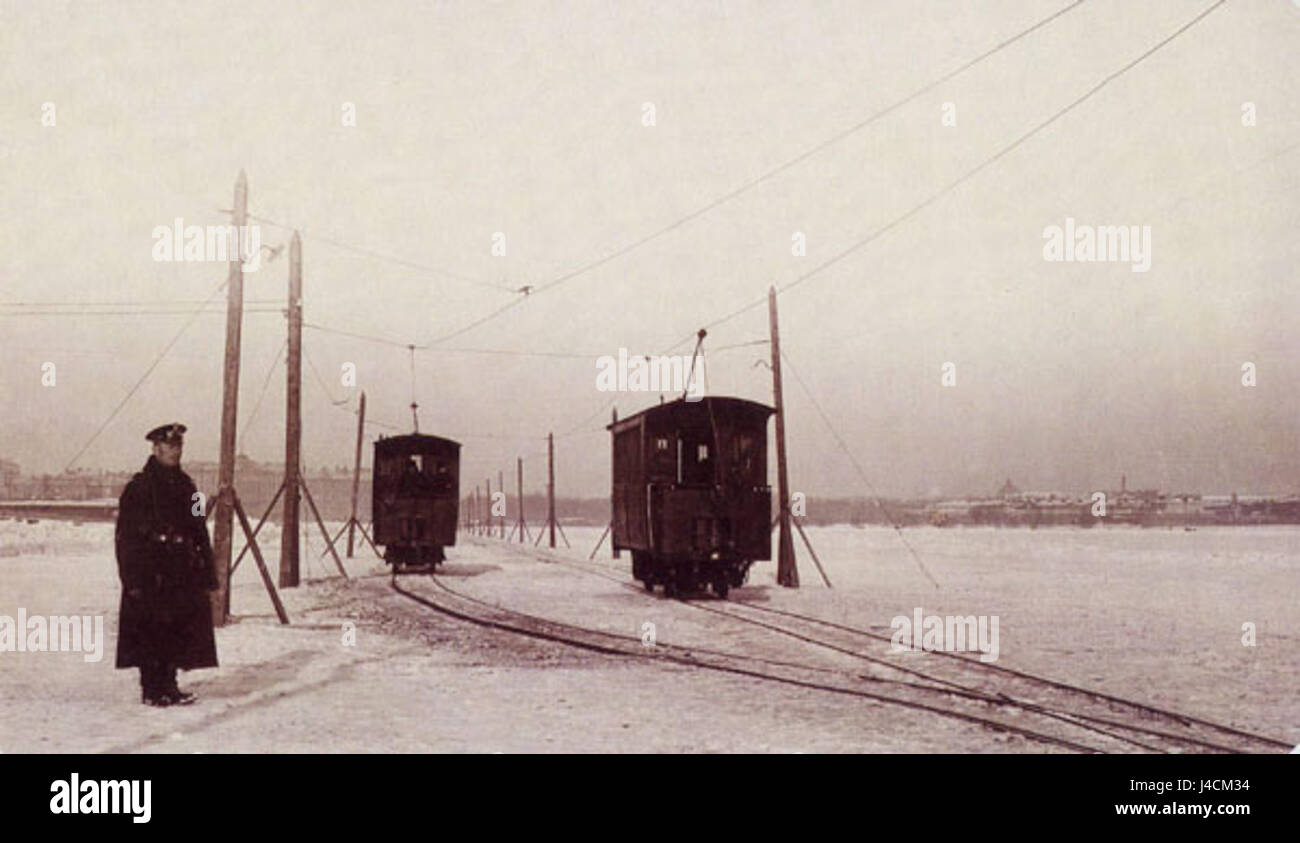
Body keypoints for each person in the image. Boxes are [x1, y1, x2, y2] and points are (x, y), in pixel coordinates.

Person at [114, 423, 219, 706]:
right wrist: (132, 579)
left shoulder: (190, 487)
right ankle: (151, 689)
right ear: (156, 448)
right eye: (169, 446)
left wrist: (208, 573)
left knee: (177, 627)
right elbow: (125, 537)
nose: (174, 451)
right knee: (150, 629)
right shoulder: (137, 488)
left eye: (178, 446)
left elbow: (200, 529)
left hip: (181, 570)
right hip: (151, 570)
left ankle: (170, 684)